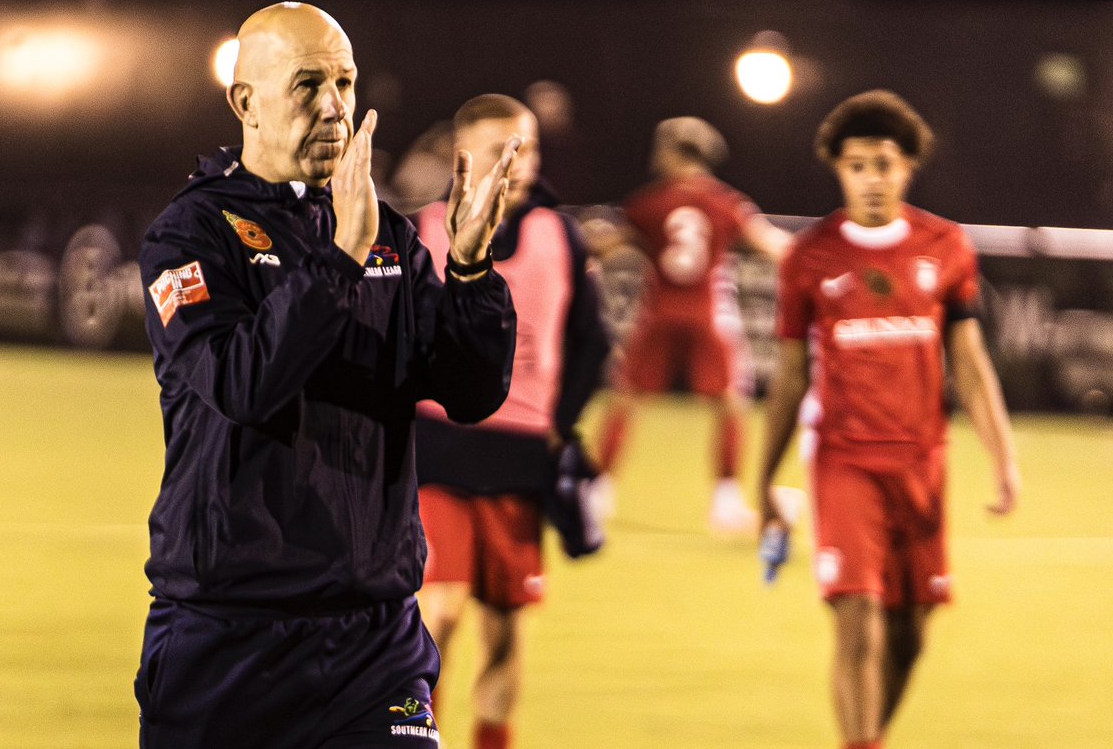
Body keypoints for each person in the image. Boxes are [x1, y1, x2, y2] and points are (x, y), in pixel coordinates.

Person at [133, 1, 519, 749]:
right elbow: (241, 383)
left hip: (374, 644)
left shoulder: (386, 238)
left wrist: (470, 274)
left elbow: (472, 394)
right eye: (308, 84)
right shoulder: (191, 234)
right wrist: (338, 260)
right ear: (245, 102)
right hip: (227, 636)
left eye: (345, 81)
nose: (335, 105)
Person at [756, 90, 1022, 749]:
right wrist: (763, 476)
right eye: (857, 165)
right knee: (858, 617)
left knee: (910, 633)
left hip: (922, 461)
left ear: (907, 167)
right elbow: (791, 376)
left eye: (884, 163)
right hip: (843, 458)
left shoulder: (946, 247)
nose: (872, 177)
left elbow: (968, 360)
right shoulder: (809, 257)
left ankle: (869, 735)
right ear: (837, 170)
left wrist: (1003, 456)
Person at [413, 94, 611, 749]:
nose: (515, 162)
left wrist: (562, 423)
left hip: (521, 457)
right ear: (460, 155)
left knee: (505, 628)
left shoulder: (561, 236)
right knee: (440, 610)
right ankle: (413, 738)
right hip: (440, 448)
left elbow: (592, 339)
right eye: (499, 148)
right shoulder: (424, 230)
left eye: (524, 146)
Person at [593, 116, 791, 531]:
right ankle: (726, 500)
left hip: (659, 309)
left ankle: (597, 492)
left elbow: (609, 245)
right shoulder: (727, 202)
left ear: (677, 152)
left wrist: (586, 238)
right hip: (708, 313)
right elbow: (772, 245)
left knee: (625, 396)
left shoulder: (649, 201)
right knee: (730, 402)